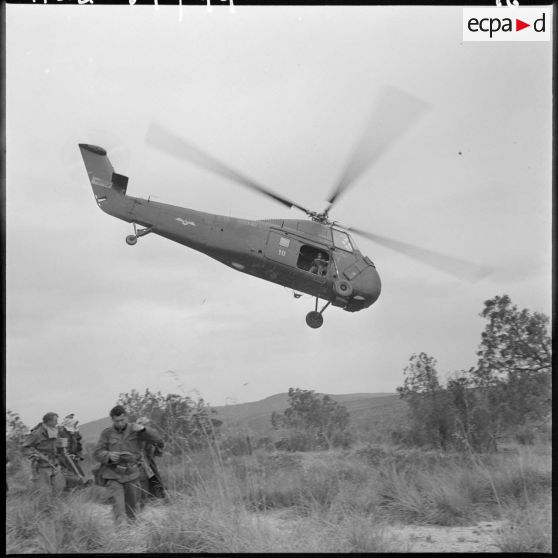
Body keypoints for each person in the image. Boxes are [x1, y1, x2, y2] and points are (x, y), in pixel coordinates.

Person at [94, 405, 164, 524]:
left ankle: (132, 536)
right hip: (113, 475)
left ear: (126, 417)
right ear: (112, 420)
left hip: (132, 475)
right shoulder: (107, 433)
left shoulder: (136, 429)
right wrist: (108, 455)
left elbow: (157, 439)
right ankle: (120, 537)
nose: (120, 423)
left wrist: (143, 429)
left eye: (122, 420)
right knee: (119, 510)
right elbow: (97, 453)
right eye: (117, 421)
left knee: (132, 511)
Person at [21, 412, 66, 494]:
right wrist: (35, 455)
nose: (57, 422)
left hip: (54, 464)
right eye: (55, 420)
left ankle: (56, 506)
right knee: (44, 491)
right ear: (48, 421)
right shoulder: (37, 433)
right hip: (42, 466)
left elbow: (56, 446)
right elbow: (25, 448)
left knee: (57, 489)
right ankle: (43, 506)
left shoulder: (55, 431)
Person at [58, 413, 87, 487]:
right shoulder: (61, 433)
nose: (75, 425)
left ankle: (79, 488)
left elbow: (78, 445)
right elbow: (62, 450)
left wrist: (79, 455)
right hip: (64, 459)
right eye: (74, 424)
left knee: (79, 474)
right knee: (71, 476)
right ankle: (71, 490)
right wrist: (68, 456)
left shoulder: (75, 433)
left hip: (74, 458)